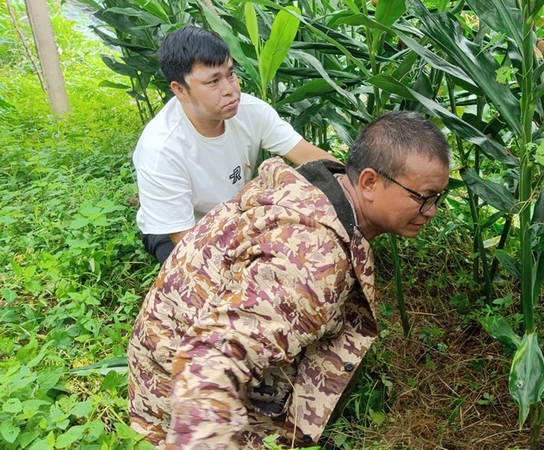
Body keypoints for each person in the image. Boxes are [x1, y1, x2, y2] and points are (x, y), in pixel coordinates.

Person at [127, 111, 452, 448]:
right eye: (423, 197)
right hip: (177, 402)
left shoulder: (319, 188)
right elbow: (210, 361)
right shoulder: (313, 258)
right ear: (369, 182)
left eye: (437, 197)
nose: (431, 211)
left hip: (171, 356)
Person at [133, 26, 336, 263]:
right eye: (213, 82)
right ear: (180, 90)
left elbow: (312, 157)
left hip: (237, 213)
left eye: (230, 74)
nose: (231, 90)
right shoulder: (161, 149)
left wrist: (359, 186)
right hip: (177, 230)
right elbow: (184, 238)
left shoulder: (252, 112)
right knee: (200, 279)